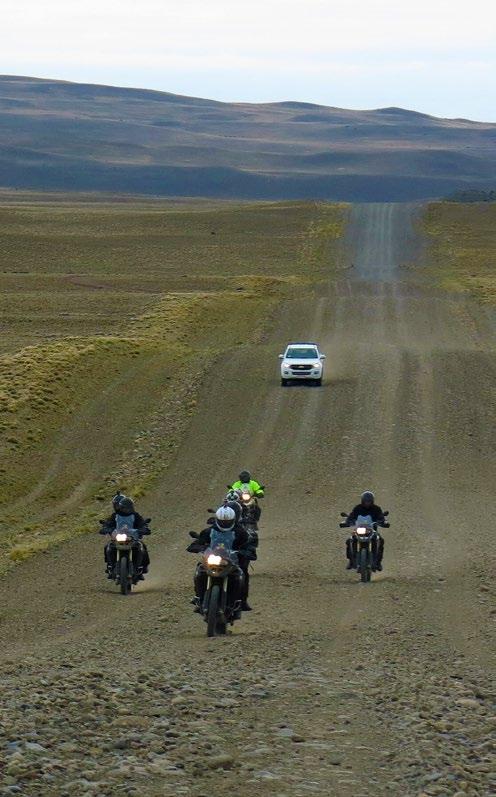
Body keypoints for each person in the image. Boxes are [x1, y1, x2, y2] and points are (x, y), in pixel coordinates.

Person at [191, 504, 253, 613]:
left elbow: (248, 545)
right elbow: (198, 542)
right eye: (222, 521)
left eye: (227, 521)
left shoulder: (241, 532)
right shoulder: (209, 531)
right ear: (217, 519)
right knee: (200, 570)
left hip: (232, 560)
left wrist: (246, 551)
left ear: (233, 519)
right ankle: (198, 598)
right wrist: (199, 547)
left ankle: (242, 601)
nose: (225, 523)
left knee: (242, 573)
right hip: (213, 558)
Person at [99, 494, 151, 580]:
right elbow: (109, 524)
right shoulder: (115, 516)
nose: (127, 509)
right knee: (108, 547)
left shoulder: (135, 515)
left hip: (132, 538)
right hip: (118, 538)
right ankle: (110, 567)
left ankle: (142, 568)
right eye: (125, 507)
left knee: (142, 547)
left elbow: (142, 524)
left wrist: (144, 529)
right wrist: (106, 529)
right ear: (121, 507)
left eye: (129, 507)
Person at [342, 491, 387, 571]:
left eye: (369, 501)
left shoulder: (376, 509)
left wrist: (383, 522)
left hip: (372, 530)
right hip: (359, 529)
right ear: (362, 501)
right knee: (349, 540)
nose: (367, 503)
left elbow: (381, 517)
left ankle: (378, 562)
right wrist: (346, 522)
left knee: (380, 540)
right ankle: (352, 561)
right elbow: (352, 516)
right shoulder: (357, 508)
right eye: (366, 501)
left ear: (372, 501)